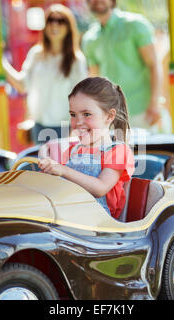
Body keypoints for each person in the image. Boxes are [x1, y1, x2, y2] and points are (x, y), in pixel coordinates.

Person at [38, 77, 135, 220]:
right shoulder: (74, 150)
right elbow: (47, 148)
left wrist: (63, 169)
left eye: (87, 114)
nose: (78, 122)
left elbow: (100, 188)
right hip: (69, 217)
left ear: (109, 116)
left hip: (100, 225)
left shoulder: (118, 151)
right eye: (73, 115)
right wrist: (47, 163)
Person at [3, 4, 87, 144]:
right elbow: (22, 85)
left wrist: (77, 129)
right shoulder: (36, 55)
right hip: (39, 125)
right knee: (40, 165)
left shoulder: (76, 60)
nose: (55, 25)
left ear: (69, 27)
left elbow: (81, 98)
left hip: (65, 128)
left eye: (60, 21)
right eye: (50, 20)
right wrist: (1, 63)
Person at [82, 0, 162, 129]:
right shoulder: (89, 38)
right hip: (109, 114)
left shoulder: (135, 25)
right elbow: (94, 78)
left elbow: (154, 65)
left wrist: (154, 104)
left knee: (146, 150)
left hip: (142, 112)